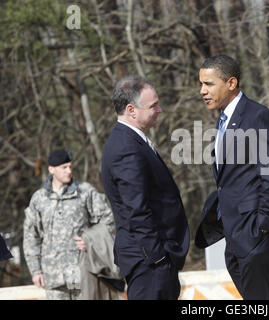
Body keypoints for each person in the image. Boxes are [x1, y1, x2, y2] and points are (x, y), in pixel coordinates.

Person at [195, 54, 269, 300]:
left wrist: (263, 227)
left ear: (231, 83)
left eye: (209, 84)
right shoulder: (224, 120)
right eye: (201, 84)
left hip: (256, 234)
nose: (202, 91)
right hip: (237, 236)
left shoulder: (257, 116)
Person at [101, 75, 190, 300]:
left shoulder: (132, 141)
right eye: (153, 106)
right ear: (131, 109)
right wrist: (158, 257)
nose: (159, 110)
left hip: (151, 260)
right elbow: (137, 209)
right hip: (149, 262)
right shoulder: (126, 148)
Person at [23, 149, 116, 300]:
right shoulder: (39, 199)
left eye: (71, 167)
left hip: (84, 275)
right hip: (53, 278)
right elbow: (31, 236)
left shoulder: (85, 192)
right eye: (64, 167)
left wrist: (90, 240)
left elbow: (108, 221)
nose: (69, 171)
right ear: (51, 169)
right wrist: (35, 270)